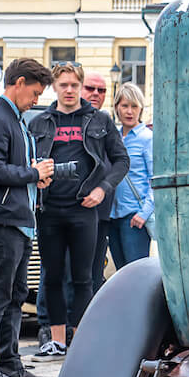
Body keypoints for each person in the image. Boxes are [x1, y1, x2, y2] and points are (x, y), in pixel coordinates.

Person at [28, 63, 129, 361]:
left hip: (85, 209)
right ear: (55, 88)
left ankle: (81, 340)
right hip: (49, 209)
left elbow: (121, 161)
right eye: (64, 85)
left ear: (80, 86)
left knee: (85, 277)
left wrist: (102, 190)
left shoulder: (99, 120)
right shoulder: (40, 122)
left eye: (74, 84)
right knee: (54, 276)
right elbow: (27, 162)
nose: (69, 90)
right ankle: (56, 341)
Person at [0, 59, 54, 377]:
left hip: (20, 221)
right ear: (19, 82)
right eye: (35, 92)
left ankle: (10, 361)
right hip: (1, 223)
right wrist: (32, 173)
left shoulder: (17, 121)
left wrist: (35, 179)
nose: (36, 99)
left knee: (15, 296)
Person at [107, 83, 154, 269]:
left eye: (134, 106)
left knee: (136, 273)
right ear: (117, 107)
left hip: (134, 218)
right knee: (120, 273)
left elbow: (155, 180)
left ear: (140, 109)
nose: (129, 111)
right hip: (112, 217)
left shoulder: (147, 138)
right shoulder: (113, 138)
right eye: (125, 105)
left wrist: (143, 214)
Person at [82, 72, 115, 294]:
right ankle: (53, 326)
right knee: (61, 272)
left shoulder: (106, 123)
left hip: (101, 211)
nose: (95, 94)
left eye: (101, 90)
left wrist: (103, 188)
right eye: (90, 88)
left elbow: (121, 161)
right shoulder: (66, 119)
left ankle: (83, 325)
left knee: (93, 272)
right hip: (70, 209)